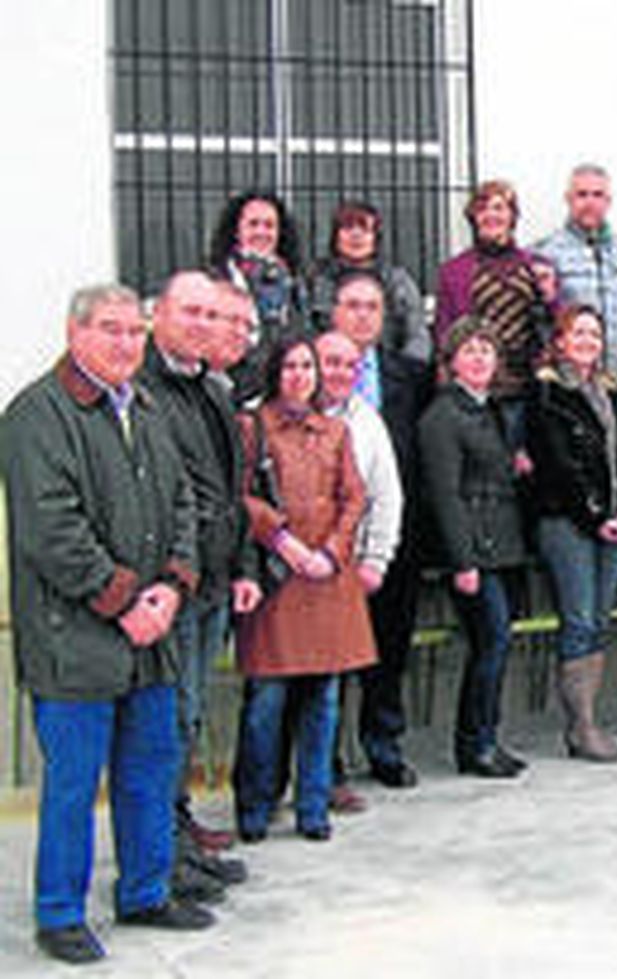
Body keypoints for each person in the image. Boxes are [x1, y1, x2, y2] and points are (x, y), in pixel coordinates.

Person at [4, 284, 214, 964]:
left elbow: (182, 503)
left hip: (151, 633)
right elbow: (51, 529)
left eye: (134, 331)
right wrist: (124, 601)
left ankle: (146, 891)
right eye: (111, 330)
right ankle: (60, 913)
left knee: (150, 768)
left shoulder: (144, 408)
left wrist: (172, 588)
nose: (127, 343)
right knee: (74, 783)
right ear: (76, 333)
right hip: (75, 639)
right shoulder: (36, 415)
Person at [138, 271, 257, 899]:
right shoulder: (143, 390)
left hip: (215, 579)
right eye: (191, 312)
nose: (204, 325)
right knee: (169, 720)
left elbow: (233, 492)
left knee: (189, 714)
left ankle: (178, 833)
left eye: (213, 316)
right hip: (174, 584)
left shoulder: (211, 388)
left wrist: (243, 567)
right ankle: (163, 853)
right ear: (158, 313)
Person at [233, 338, 375, 843]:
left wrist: (332, 551)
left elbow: (354, 498)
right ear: (274, 372)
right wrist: (281, 538)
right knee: (266, 703)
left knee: (324, 701)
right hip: (278, 576)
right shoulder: (251, 427)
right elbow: (240, 494)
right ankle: (255, 805)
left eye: (307, 366)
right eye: (290, 366)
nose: (299, 375)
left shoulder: (336, 430)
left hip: (327, 579)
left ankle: (314, 806)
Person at [324, 273, 433, 788]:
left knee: (389, 648)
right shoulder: (314, 372)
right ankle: (327, 759)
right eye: (352, 305)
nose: (363, 314)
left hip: (395, 535)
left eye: (372, 306)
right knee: (330, 655)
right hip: (327, 539)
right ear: (333, 312)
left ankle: (383, 744)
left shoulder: (410, 375)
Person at [527, 305, 617, 761]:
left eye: (594, 334)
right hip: (567, 521)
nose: (587, 341)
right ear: (559, 341)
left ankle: (588, 720)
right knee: (578, 619)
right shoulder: (547, 393)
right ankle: (581, 727)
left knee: (598, 619)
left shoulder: (616, 391)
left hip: (614, 521)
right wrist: (597, 518)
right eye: (577, 333)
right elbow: (558, 465)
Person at [419, 317, 532, 777]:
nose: (480, 357)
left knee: (497, 645)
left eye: (487, 349)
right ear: (451, 362)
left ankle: (488, 737)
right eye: (470, 350)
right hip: (473, 553)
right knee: (491, 642)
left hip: (502, 545)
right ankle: (475, 744)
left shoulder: (490, 410)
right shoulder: (443, 416)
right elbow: (444, 493)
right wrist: (462, 560)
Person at [312, 328, 402, 811]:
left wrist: (376, 559)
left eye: (351, 365)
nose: (341, 373)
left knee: (334, 680)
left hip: (349, 570)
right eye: (331, 362)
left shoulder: (367, 420)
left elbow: (386, 495)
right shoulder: (272, 411)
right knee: (280, 690)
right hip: (291, 570)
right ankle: (275, 785)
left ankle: (327, 775)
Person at [433, 179, 554, 442]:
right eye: (483, 209)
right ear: (473, 217)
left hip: (528, 386)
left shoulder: (536, 265)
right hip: (479, 387)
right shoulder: (454, 271)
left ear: (512, 216)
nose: (491, 215)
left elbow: (557, 321)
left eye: (499, 207)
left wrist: (550, 295)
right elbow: (445, 330)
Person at [536, 163, 617, 373]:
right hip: (570, 381)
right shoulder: (545, 254)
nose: (590, 202)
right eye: (582, 194)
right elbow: (538, 322)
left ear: (608, 201)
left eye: (598, 195)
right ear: (568, 199)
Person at [208, 190, 310, 404]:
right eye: (253, 224)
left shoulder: (295, 282)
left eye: (269, 225)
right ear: (237, 230)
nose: (261, 232)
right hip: (233, 392)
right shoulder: (216, 279)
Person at [306, 199, 431, 361]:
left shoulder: (397, 281)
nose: (356, 235)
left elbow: (416, 335)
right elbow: (304, 331)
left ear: (375, 238)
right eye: (348, 227)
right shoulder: (314, 280)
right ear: (335, 236)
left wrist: (403, 370)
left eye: (364, 228)